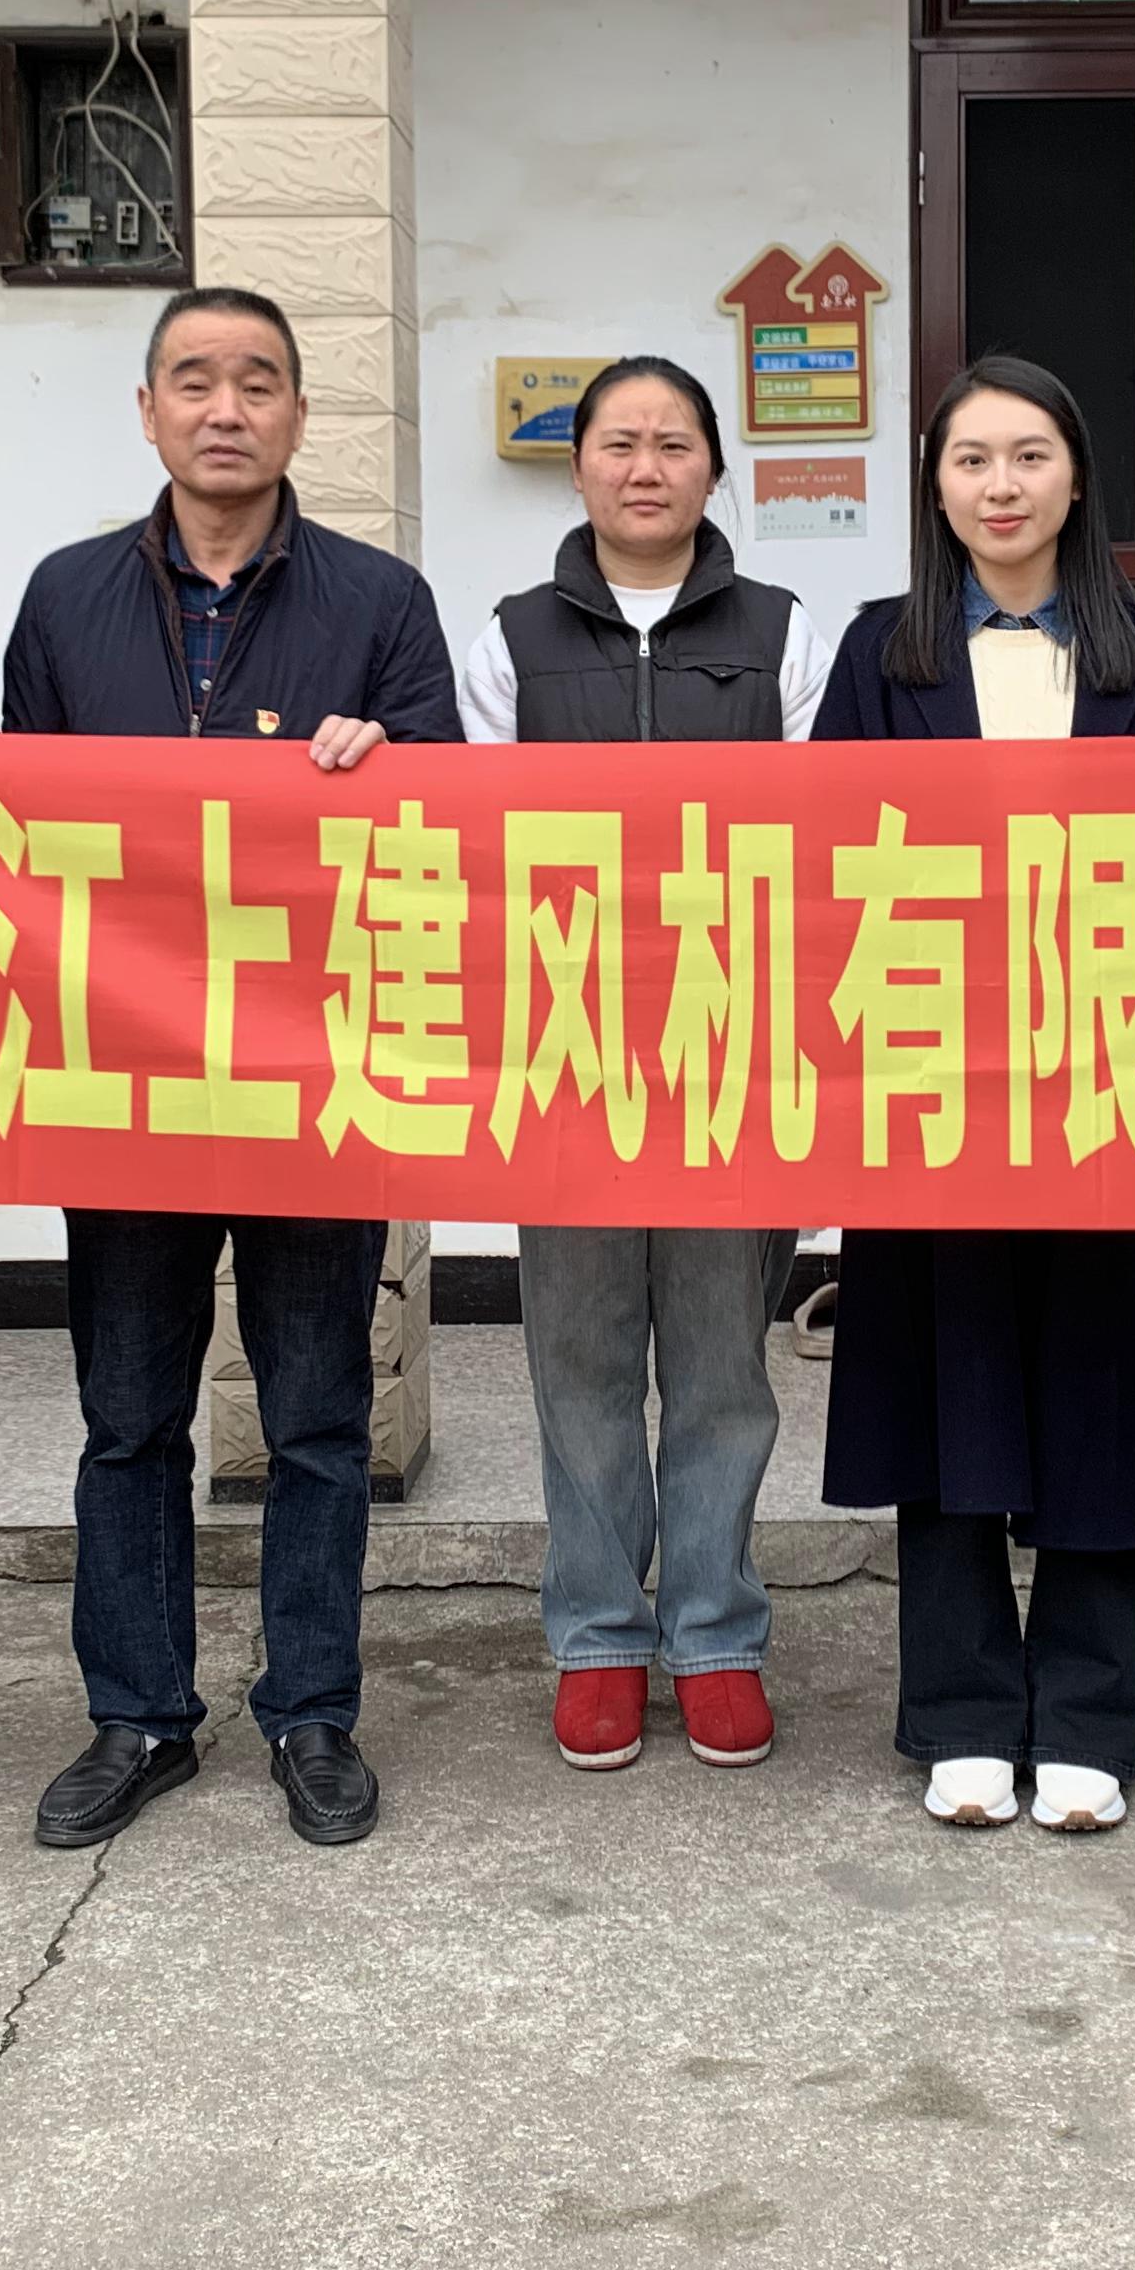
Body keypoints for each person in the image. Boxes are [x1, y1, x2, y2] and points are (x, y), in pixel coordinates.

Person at [1, 286, 460, 1852]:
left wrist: (387, 770)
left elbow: (445, 822)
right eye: (193, 380)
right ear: (147, 412)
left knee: (317, 1417)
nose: (224, 408)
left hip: (312, 1072)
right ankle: (136, 1713)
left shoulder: (379, 602)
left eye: (257, 382)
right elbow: (11, 828)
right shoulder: (64, 598)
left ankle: (311, 1710)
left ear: (298, 416)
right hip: (124, 1072)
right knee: (129, 1417)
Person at [813, 354, 1135, 1836]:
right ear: (935, 485)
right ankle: (965, 1712)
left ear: (1077, 474)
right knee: (952, 1385)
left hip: (1109, 1079)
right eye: (972, 459)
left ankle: (1094, 1716)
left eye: (1030, 455)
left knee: (1102, 1387)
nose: (1002, 486)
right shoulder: (882, 653)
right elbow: (823, 856)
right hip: (934, 1080)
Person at [462, 355, 831, 1772]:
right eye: (618, 442)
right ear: (578, 469)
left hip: (737, 1047)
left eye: (675, 443)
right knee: (582, 1359)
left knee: (725, 1362)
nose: (645, 467)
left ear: (713, 471)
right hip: (566, 1054)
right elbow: (481, 848)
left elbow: (818, 843)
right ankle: (600, 1634)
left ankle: (718, 1632)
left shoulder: (786, 633)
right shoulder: (508, 639)